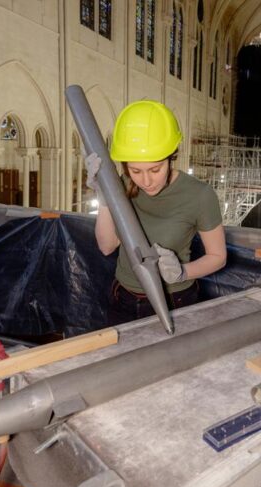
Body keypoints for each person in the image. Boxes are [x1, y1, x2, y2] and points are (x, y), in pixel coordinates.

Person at [86, 100, 226, 326]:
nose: (146, 181)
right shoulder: (122, 185)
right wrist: (105, 199)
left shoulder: (200, 195)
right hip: (123, 298)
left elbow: (218, 257)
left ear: (171, 157)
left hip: (175, 300)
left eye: (155, 169)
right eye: (135, 171)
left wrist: (182, 272)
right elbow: (107, 246)